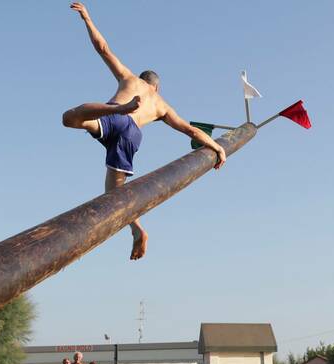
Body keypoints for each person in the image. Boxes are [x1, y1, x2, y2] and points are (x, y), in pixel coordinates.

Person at [63, 3, 227, 261]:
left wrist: (87, 18)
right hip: (132, 136)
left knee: (70, 118)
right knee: (113, 196)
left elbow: (103, 48)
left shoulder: (129, 79)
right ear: (157, 88)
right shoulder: (161, 105)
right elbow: (190, 130)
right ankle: (137, 230)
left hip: (116, 117)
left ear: (142, 80)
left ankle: (118, 109)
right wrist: (218, 147)